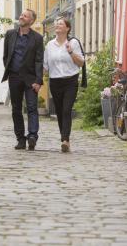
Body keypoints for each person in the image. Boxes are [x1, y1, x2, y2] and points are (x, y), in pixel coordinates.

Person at [2, 9, 44, 150]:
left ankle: (32, 136)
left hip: (31, 78)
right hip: (14, 77)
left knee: (32, 108)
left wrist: (38, 81)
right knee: (16, 109)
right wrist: (10, 71)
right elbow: (6, 56)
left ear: (31, 21)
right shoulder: (10, 35)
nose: (21, 16)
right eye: (21, 14)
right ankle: (20, 139)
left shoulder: (37, 38)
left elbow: (39, 61)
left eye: (25, 16)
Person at [44, 18, 84, 153]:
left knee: (66, 110)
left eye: (60, 24)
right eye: (57, 24)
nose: (57, 25)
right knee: (60, 111)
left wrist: (71, 52)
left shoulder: (73, 43)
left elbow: (81, 63)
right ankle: (64, 138)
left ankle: (65, 140)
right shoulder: (49, 45)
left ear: (67, 28)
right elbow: (45, 66)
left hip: (70, 81)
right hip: (55, 82)